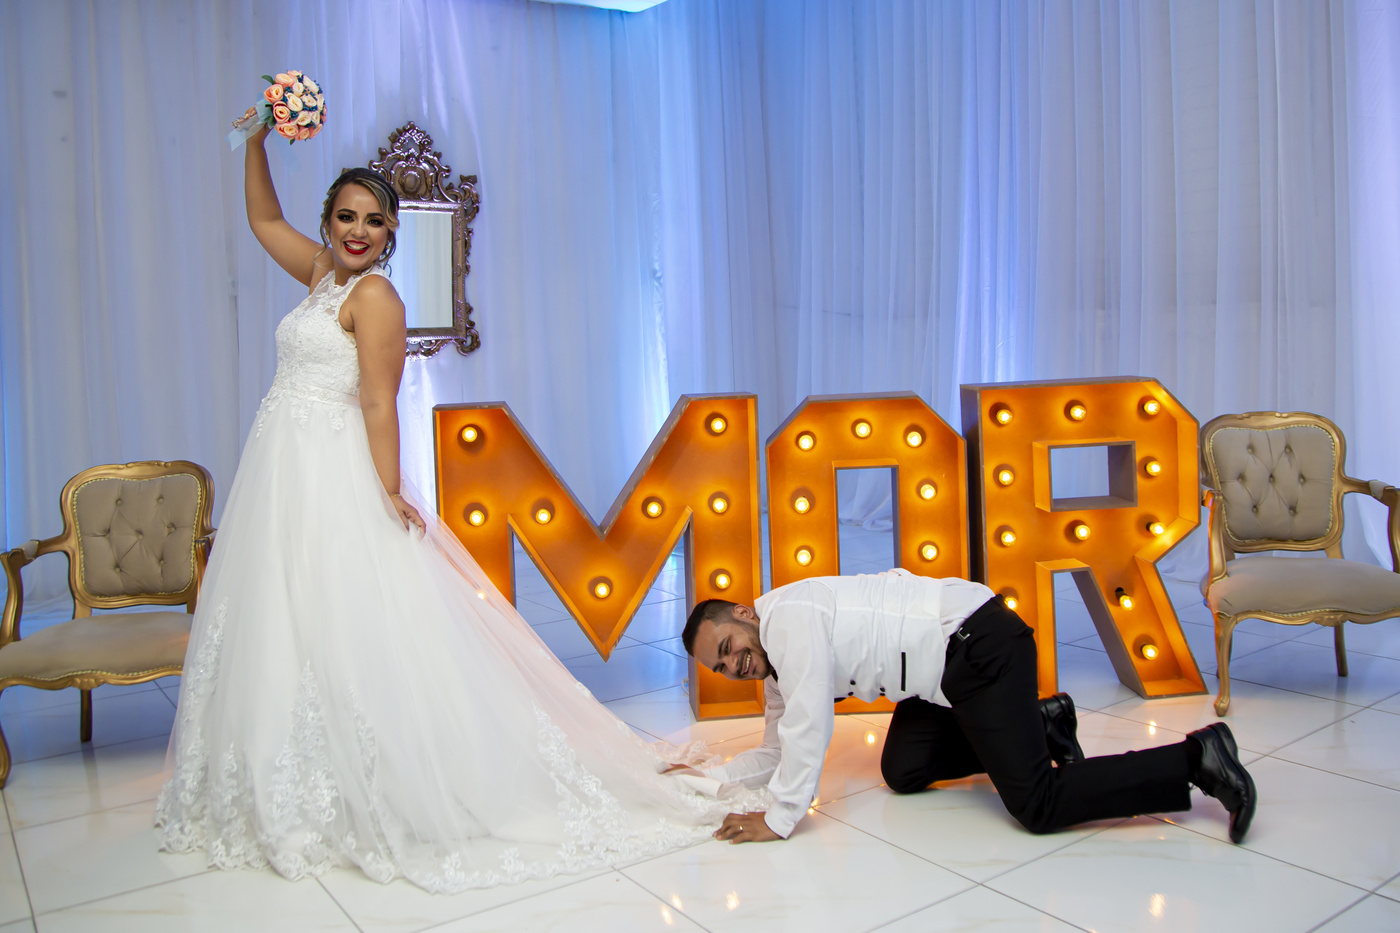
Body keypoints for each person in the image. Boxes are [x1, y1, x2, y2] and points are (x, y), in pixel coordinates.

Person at [156, 124, 766, 893]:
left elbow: (378, 401)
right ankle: (293, 775)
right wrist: (253, 139)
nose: (358, 231)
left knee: (342, 616)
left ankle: (373, 782)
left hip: (330, 467)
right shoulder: (321, 276)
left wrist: (386, 490)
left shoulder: (375, 295)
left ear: (391, 235)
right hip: (284, 464)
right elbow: (262, 219)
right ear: (329, 222)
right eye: (346, 216)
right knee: (285, 618)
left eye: (375, 221)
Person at [680, 568, 1256, 845]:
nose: (734, 666)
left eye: (728, 648)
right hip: (936, 681)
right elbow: (777, 750)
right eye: (721, 668)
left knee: (1037, 805)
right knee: (903, 769)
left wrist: (779, 819)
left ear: (745, 614)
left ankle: (1198, 759)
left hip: (979, 646)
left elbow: (810, 726)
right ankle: (1043, 722)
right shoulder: (774, 668)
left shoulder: (787, 619)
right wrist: (708, 778)